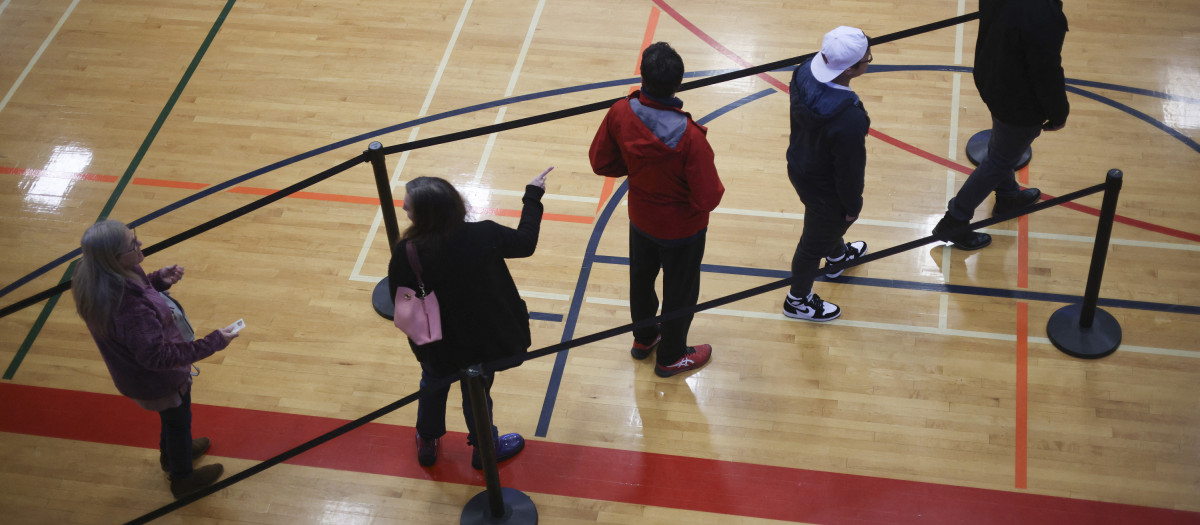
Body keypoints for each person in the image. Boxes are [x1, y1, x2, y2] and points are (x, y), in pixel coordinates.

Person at [388, 168, 550, 469]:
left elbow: (401, 300)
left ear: (424, 216)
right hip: (484, 341)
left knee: (432, 385)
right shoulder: (484, 235)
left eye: (408, 205)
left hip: (436, 343)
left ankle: (427, 441)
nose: (403, 208)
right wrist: (533, 195)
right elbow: (525, 242)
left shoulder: (407, 252)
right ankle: (483, 448)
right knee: (476, 394)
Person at [71, 220, 239, 499]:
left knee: (173, 420)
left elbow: (140, 288)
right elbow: (157, 357)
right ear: (113, 257)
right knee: (178, 421)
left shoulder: (97, 272)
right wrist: (214, 342)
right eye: (131, 245)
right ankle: (183, 478)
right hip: (158, 380)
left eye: (134, 237)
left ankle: (173, 456)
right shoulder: (128, 307)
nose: (139, 245)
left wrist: (158, 280)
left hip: (140, 376)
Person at [589, 41, 724, 378]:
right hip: (683, 230)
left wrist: (638, 168)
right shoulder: (691, 137)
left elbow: (601, 161)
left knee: (641, 279)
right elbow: (708, 197)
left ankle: (645, 338)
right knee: (680, 292)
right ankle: (672, 356)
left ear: (642, 77)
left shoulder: (620, 111)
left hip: (641, 219)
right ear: (678, 83)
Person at [932, 0, 1070, 249]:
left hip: (992, 78)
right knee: (999, 161)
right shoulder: (1043, 13)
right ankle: (955, 219)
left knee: (1003, 148)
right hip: (1019, 101)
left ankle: (1008, 197)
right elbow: (1046, 71)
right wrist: (1059, 113)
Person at [782, 26, 873, 322]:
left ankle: (836, 258)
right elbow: (849, 171)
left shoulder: (804, 70)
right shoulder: (848, 117)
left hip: (800, 165)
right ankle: (797, 300)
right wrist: (852, 206)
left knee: (825, 228)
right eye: (866, 59)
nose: (869, 59)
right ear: (849, 69)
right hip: (826, 188)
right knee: (811, 245)